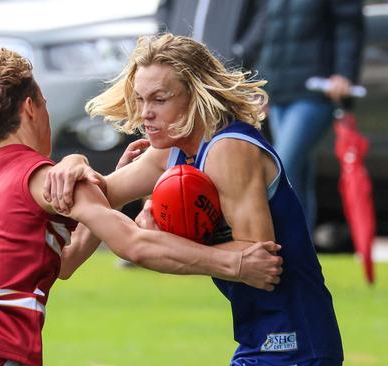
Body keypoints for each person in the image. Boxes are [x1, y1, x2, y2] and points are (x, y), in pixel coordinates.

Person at [0, 40, 282, 366]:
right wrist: (234, 261)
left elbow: (60, 263)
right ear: (32, 108)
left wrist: (88, 179)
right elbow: (133, 244)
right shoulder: (42, 177)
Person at [46, 34, 343, 365]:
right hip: (256, 336)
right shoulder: (171, 153)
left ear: (196, 94)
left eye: (160, 99)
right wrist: (74, 164)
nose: (146, 114)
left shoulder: (228, 149)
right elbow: (98, 201)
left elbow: (260, 260)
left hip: (296, 341)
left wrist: (161, 237)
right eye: (141, 99)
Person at [255, 0, 364, 232]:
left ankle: (285, 245)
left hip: (315, 90)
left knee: (280, 166)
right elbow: (269, 35)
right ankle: (303, 256)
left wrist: (344, 73)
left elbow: (349, 26)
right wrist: (261, 86)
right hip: (280, 92)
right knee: (297, 178)